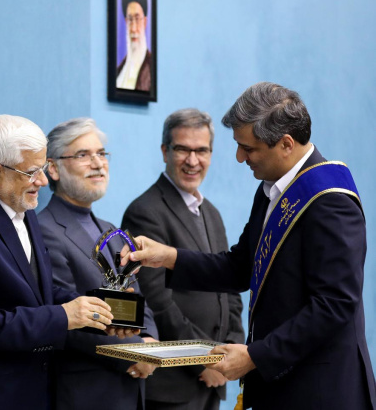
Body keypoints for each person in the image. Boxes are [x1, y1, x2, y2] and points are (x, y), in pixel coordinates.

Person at [121, 83, 376, 409]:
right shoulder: (271, 188)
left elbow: (335, 304)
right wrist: (168, 257)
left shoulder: (329, 200)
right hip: (279, 384)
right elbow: (240, 267)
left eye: (248, 149)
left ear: (286, 144)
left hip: (321, 389)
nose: (240, 158)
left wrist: (256, 355)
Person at [0, 115, 123, 410]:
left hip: (37, 390)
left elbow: (40, 293)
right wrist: (63, 316)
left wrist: (98, 313)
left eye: (43, 169)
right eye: (32, 172)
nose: (43, 181)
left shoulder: (21, 204)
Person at [121, 109, 244, 410]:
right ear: (165, 151)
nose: (192, 160)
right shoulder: (145, 211)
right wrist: (204, 360)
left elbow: (230, 288)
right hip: (172, 385)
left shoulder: (211, 213)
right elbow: (156, 300)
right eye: (182, 149)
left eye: (201, 150)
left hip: (214, 380)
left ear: (211, 154)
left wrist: (231, 350)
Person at [38, 117, 159, 410]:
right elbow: (66, 318)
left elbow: (137, 298)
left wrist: (150, 341)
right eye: (83, 155)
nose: (98, 164)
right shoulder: (43, 230)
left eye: (101, 153)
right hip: (86, 391)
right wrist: (134, 353)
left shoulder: (111, 231)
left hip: (130, 390)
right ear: (53, 168)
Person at [116, 0, 152, 92]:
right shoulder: (118, 72)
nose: (133, 28)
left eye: (137, 19)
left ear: (145, 22)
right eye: (130, 20)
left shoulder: (152, 69)